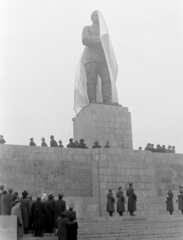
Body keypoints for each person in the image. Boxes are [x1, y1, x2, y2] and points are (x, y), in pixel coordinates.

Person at [74, 10, 118, 113]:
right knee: (91, 81)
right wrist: (100, 39)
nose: (98, 17)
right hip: (91, 58)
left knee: (107, 79)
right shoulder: (87, 28)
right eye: (96, 15)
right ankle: (92, 100)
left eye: (99, 16)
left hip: (103, 59)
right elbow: (85, 40)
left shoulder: (103, 32)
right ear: (92, 17)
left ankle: (107, 99)